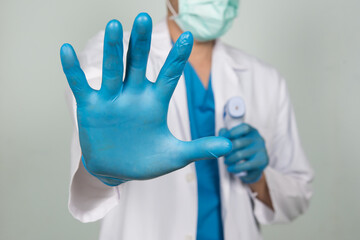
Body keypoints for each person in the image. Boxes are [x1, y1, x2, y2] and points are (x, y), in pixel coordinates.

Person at [60, 0, 314, 239]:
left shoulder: (265, 79)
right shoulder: (114, 56)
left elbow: (299, 195)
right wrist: (107, 172)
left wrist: (258, 178)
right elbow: (93, 153)